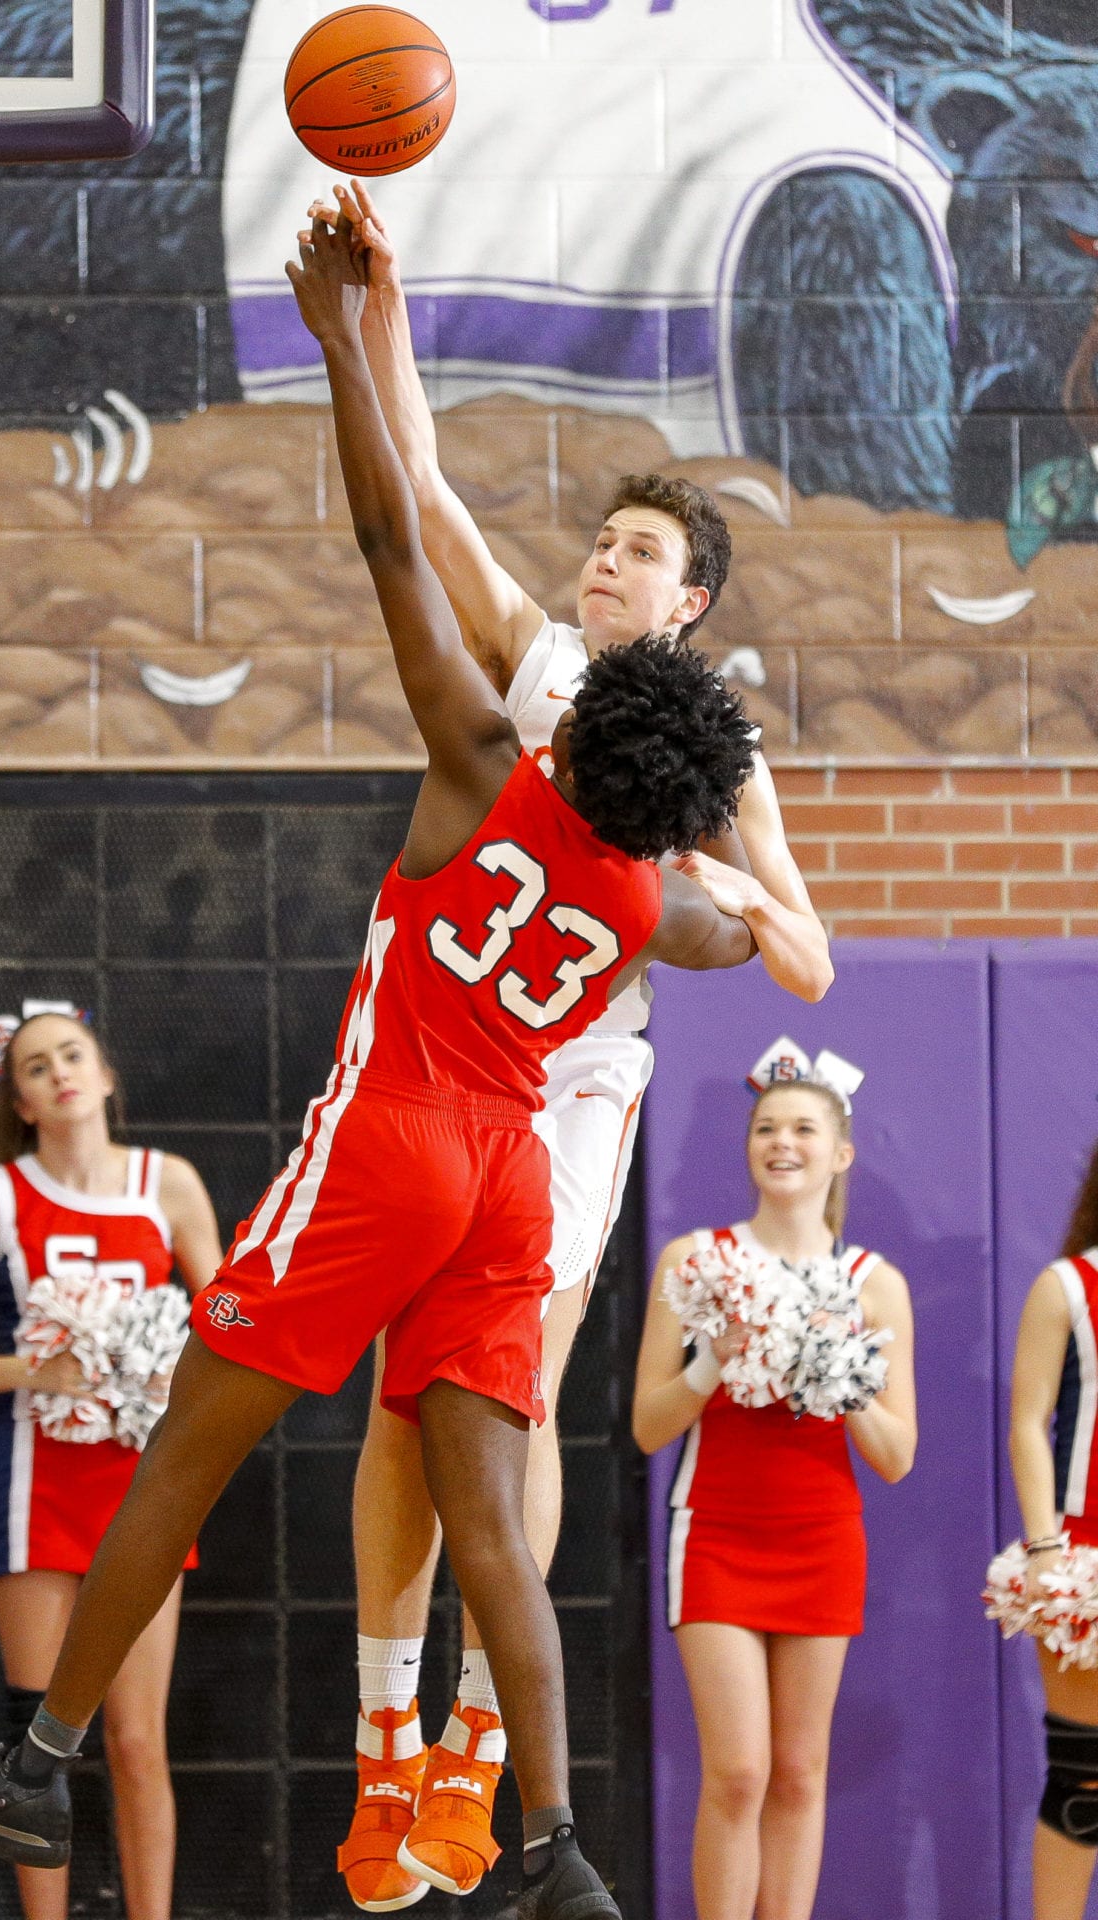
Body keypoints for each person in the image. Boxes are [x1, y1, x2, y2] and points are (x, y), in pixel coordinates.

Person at [0, 207, 761, 1920]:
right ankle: (553, 1850)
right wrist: (746, 899)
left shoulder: (478, 763)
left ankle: (33, 1772)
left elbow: (386, 531)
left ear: (583, 730)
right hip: (516, 1172)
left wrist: (338, 342)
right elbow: (732, 934)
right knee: (491, 1515)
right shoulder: (651, 895)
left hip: (401, 1130)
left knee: (189, 1451)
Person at [298, 178, 834, 1911]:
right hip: (434, 1060)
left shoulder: (717, 758)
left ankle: (468, 1752)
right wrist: (379, 302)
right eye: (604, 539)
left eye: (643, 552)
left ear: (688, 607)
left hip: (572, 1087)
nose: (607, 559)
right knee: (396, 1411)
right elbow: (423, 486)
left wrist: (704, 884)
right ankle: (390, 1757)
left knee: (499, 1406)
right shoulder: (532, 663)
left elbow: (809, 959)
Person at [0, 1011, 222, 1920]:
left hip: (146, 1487)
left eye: (71, 1056)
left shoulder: (170, 1185)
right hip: (35, 1487)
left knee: (135, 1741)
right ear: (22, 1098)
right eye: (36, 1067)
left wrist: (180, 1357)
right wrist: (33, 1370)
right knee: (35, 1748)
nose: (59, 1075)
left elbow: (229, 1317)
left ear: (106, 1072)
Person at [631, 1061, 916, 1920]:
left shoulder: (875, 1282)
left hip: (823, 1535)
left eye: (802, 1130)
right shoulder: (696, 1261)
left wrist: (844, 1369)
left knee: (799, 1771)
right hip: (714, 1531)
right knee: (740, 1769)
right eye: (765, 1129)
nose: (781, 1143)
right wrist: (717, 1356)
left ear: (841, 1154)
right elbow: (649, 1425)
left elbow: (897, 1454)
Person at [1006, 1139, 1098, 1919]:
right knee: (1083, 1776)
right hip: (1083, 1558)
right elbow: (1030, 1421)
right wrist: (1045, 1549)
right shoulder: (1067, 1285)